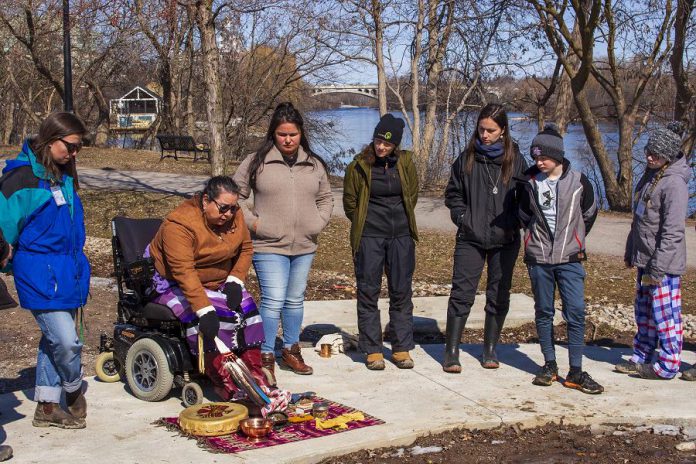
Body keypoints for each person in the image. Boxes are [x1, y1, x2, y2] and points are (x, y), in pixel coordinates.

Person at [0, 112, 90, 428]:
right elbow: (3, 232)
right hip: (39, 275)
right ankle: (73, 387)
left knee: (54, 340)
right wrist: (12, 264)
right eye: (71, 146)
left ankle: (48, 409)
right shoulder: (20, 179)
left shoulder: (63, 176)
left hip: (69, 272)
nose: (75, 153)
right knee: (66, 341)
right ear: (51, 139)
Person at [234, 102, 333, 377]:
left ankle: (291, 349)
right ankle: (265, 355)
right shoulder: (256, 162)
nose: (288, 139)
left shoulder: (313, 164)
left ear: (301, 133)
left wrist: (318, 221)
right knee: (274, 299)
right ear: (273, 134)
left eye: (293, 134)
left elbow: (326, 198)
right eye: (282, 134)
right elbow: (235, 198)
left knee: (294, 300)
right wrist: (255, 223)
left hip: (304, 244)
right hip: (267, 244)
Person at [147, 176, 268, 397]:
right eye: (223, 208)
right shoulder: (179, 225)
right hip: (176, 282)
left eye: (233, 209)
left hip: (218, 280)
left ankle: (253, 377)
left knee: (248, 311)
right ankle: (223, 381)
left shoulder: (234, 215)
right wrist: (204, 309)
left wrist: (235, 280)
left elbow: (246, 248)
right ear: (205, 201)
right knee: (215, 319)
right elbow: (184, 271)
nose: (229, 214)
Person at [518, 124, 603, 394]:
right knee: (544, 312)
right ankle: (549, 365)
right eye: (535, 157)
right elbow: (522, 215)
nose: (539, 161)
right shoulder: (529, 182)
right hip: (539, 258)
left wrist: (574, 239)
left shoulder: (579, 181)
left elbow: (588, 213)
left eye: (543, 157)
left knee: (575, 312)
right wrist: (534, 240)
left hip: (570, 258)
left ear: (558, 155)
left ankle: (576, 370)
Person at [442, 104, 527, 373]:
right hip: (471, 236)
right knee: (462, 293)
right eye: (481, 129)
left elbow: (527, 197)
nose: (485, 135)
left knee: (499, 293)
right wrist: (462, 217)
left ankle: (490, 349)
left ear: (503, 131)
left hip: (506, 238)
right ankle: (451, 351)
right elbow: (453, 194)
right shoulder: (467, 158)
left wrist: (516, 221)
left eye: (490, 130)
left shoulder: (516, 160)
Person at [343, 114, 419, 370]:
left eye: (386, 143)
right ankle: (372, 349)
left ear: (395, 144)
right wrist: (367, 224)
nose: (381, 147)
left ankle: (401, 348)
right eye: (378, 140)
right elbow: (350, 204)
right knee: (368, 291)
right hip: (369, 237)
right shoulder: (358, 165)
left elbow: (412, 194)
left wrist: (398, 223)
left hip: (401, 237)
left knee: (401, 292)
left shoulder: (406, 163)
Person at [616, 123, 690, 381]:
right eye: (649, 151)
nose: (649, 157)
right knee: (644, 311)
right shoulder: (651, 175)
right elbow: (639, 220)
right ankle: (643, 355)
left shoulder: (674, 184)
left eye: (656, 155)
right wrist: (631, 250)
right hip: (645, 259)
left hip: (664, 265)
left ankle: (668, 365)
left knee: (665, 313)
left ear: (668, 157)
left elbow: (673, 233)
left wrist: (658, 266)